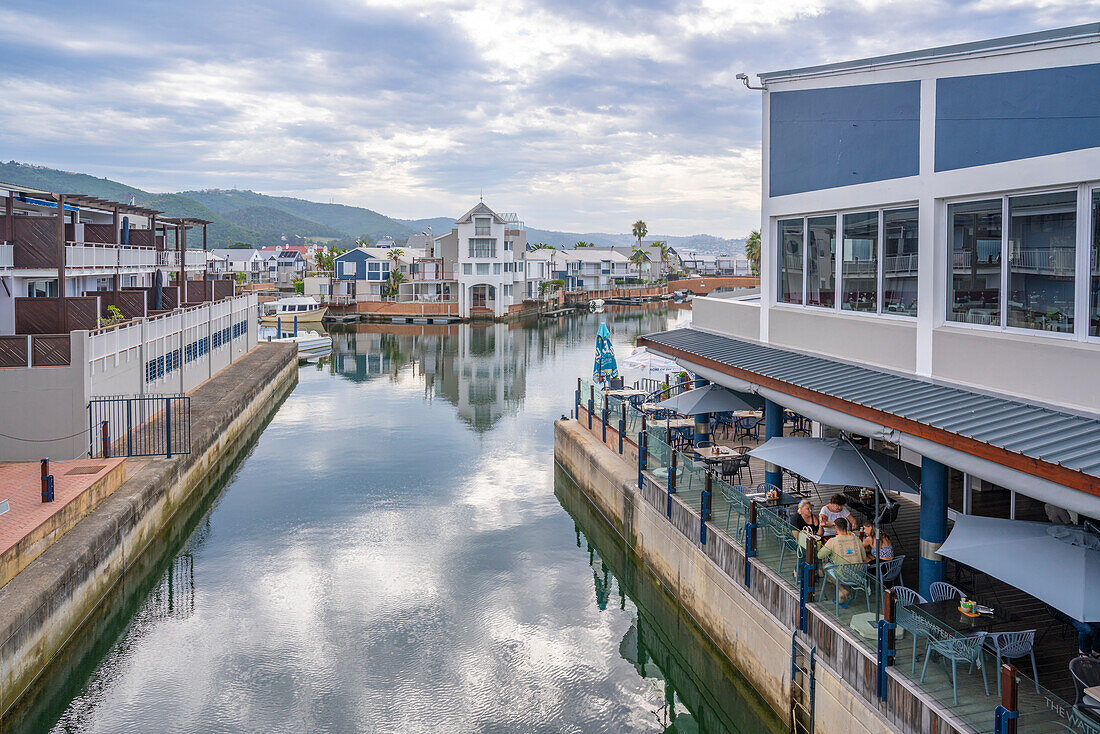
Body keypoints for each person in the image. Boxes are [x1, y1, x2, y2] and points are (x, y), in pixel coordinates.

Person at [816, 517, 866, 606]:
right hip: (858, 575)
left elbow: (820, 555)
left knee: (825, 566)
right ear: (847, 527)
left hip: (843, 575)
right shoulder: (857, 540)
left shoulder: (832, 541)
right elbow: (864, 558)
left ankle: (842, 590)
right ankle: (842, 594)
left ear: (836, 528)